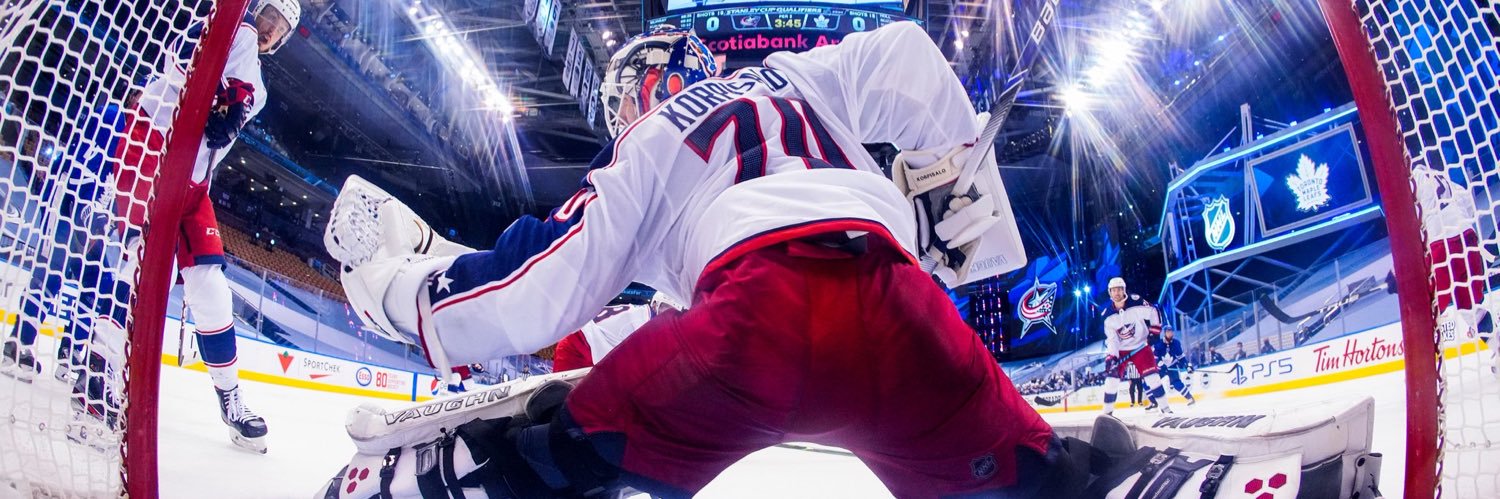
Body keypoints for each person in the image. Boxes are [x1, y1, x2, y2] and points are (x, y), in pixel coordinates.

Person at [327, 22, 1070, 498]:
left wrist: (415, 301)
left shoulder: (651, 141)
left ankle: (459, 477)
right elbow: (909, 51)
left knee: (566, 448)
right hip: (905, 306)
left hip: (754, 327)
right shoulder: (803, 78)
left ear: (660, 83)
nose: (619, 118)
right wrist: (959, 198)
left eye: (625, 99)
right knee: (1030, 478)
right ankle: (1098, 479)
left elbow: (541, 279)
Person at [105, 0, 301, 453]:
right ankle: (98, 371)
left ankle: (230, 400)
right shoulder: (214, 27)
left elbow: (234, 106)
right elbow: (207, 66)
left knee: (212, 288)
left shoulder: (260, 85)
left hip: (193, 183)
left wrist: (234, 104)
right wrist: (229, 96)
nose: (269, 28)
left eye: (280, 27)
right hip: (152, 148)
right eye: (269, 15)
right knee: (137, 263)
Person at [553, 293, 681, 372]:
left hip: (584, 345)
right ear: (655, 305)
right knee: (567, 406)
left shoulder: (640, 315)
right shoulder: (642, 321)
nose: (670, 316)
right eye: (668, 309)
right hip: (576, 347)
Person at [1100, 277, 1171, 414]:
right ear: (1110, 292)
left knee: (1152, 377)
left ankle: (1166, 409)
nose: (1117, 293)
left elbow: (1153, 311)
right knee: (1111, 380)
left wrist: (1154, 332)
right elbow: (1112, 339)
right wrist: (1112, 357)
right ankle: (1107, 414)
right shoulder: (1107, 315)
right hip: (1121, 350)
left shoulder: (1136, 302)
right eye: (1114, 290)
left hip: (1141, 346)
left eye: (1120, 289)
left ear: (1124, 290)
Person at [1152, 326, 1195, 405]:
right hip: (1161, 368)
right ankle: (1154, 403)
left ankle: (1190, 398)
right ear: (1164, 333)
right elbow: (1155, 358)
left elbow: (1181, 357)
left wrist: (1187, 365)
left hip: (1172, 365)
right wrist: (1161, 365)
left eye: (1171, 331)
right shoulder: (1158, 344)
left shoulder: (1176, 343)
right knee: (1154, 383)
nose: (1170, 333)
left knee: (1176, 383)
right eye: (1168, 331)